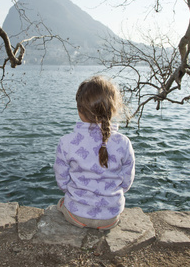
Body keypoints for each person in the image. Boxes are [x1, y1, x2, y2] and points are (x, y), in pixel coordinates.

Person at [54, 75, 135, 230]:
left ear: (79, 111)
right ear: (114, 109)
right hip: (110, 219)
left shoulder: (66, 142)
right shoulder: (124, 142)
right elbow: (126, 182)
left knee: (62, 203)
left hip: (76, 216)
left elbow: (62, 181)